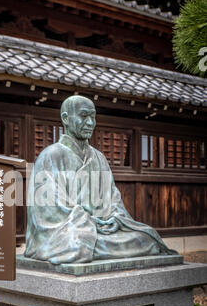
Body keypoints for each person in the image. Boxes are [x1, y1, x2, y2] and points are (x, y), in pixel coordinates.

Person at [24, 95, 176, 265]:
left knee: (146, 238)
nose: (90, 123)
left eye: (93, 117)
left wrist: (115, 217)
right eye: (83, 116)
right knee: (78, 244)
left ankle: (97, 242)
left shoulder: (99, 158)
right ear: (65, 119)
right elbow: (48, 210)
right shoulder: (50, 156)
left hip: (102, 230)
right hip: (68, 230)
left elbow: (113, 198)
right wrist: (86, 221)